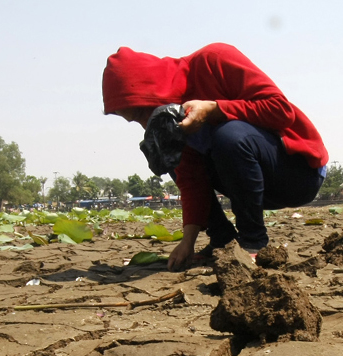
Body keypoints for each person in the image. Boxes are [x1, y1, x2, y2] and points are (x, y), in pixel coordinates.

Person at [102, 43, 328, 271]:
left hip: (299, 174)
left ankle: (253, 243)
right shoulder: (174, 120)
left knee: (228, 136)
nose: (145, 124)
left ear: (153, 90)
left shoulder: (214, 60)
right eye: (136, 120)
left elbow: (281, 110)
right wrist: (187, 242)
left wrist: (214, 109)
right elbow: (192, 181)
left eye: (142, 113)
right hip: (257, 189)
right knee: (168, 152)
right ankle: (223, 241)